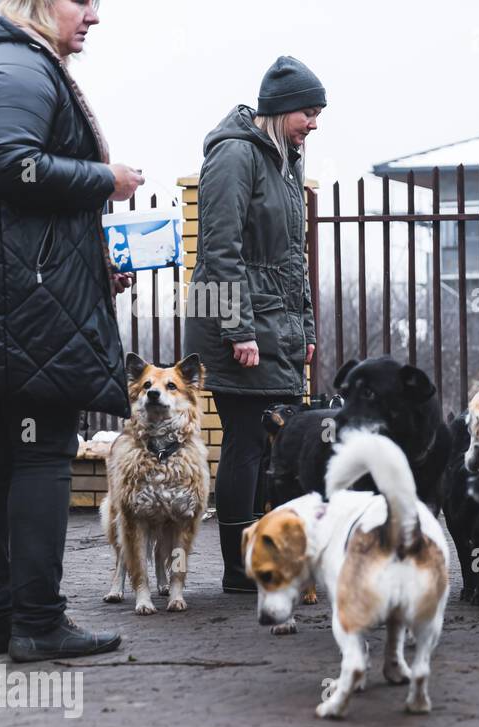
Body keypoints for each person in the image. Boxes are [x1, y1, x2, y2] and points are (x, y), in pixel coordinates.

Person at [0, 0, 144, 661]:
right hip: (29, 308)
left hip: (11, 298)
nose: (94, 18)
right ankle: (39, 624)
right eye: (83, 2)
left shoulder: (4, 59)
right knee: (43, 455)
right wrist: (107, 180)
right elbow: (7, 162)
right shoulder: (21, 64)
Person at [184, 56, 324, 592]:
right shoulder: (235, 155)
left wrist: (306, 330)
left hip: (276, 326)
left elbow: (294, 258)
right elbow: (219, 251)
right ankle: (239, 570)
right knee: (245, 441)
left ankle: (264, 557)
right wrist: (237, 329)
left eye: (316, 113)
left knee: (269, 446)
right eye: (307, 113)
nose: (313, 123)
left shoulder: (286, 160)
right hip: (240, 328)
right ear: (280, 109)